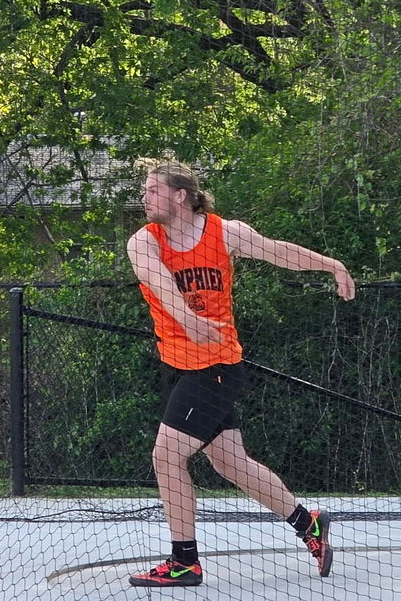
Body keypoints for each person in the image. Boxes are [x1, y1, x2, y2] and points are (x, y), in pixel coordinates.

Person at [126, 161, 356, 588]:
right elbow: (160, 286)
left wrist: (331, 264)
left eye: (153, 190)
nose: (145, 197)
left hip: (215, 366)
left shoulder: (224, 232)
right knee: (231, 462)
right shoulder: (144, 242)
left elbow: (277, 251)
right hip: (177, 366)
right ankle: (310, 524)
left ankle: (184, 563)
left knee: (167, 456)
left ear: (180, 195)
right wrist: (186, 319)